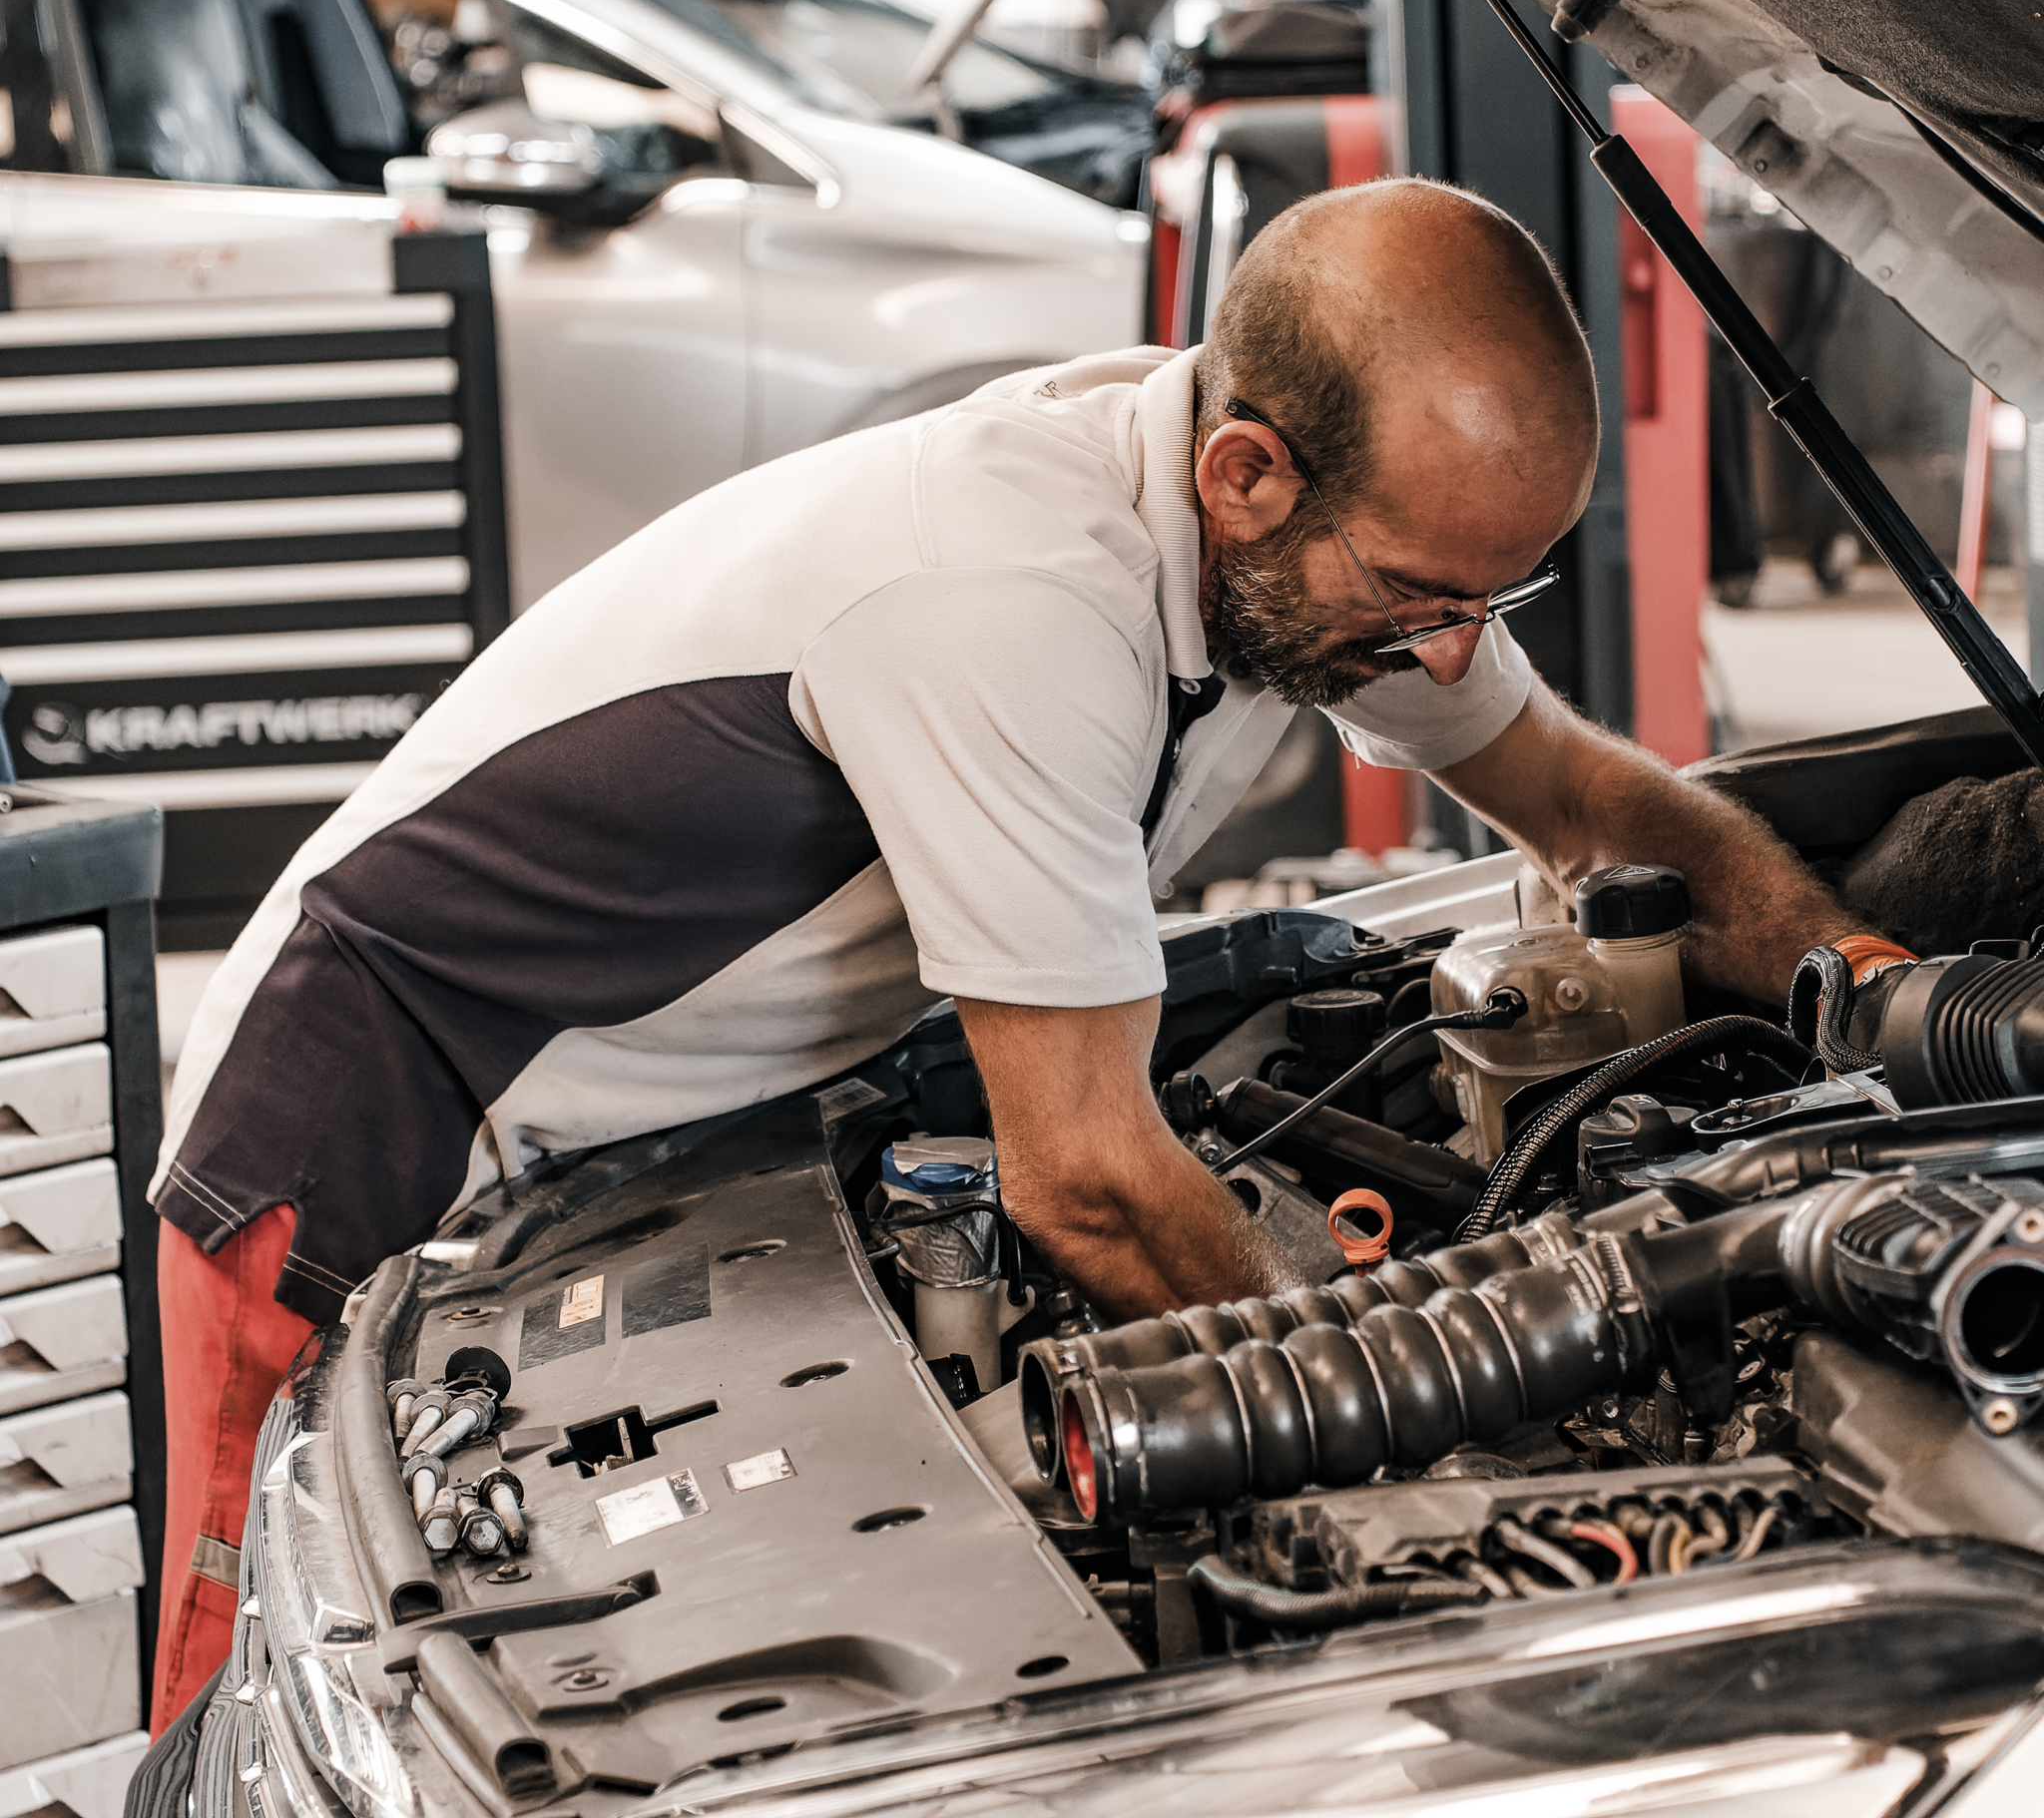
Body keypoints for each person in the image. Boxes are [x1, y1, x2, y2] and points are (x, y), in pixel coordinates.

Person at [145, 179, 1862, 1728]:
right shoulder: (1013, 595)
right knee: (289, 1713)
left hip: (662, 1141)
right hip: (379, 1130)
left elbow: (1579, 795)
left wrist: (1860, 972)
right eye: (1422, 596)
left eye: (1498, 599)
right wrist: (1444, 1437)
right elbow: (1090, 1182)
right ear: (1245, 474)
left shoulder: (1299, 532)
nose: (1450, 653)